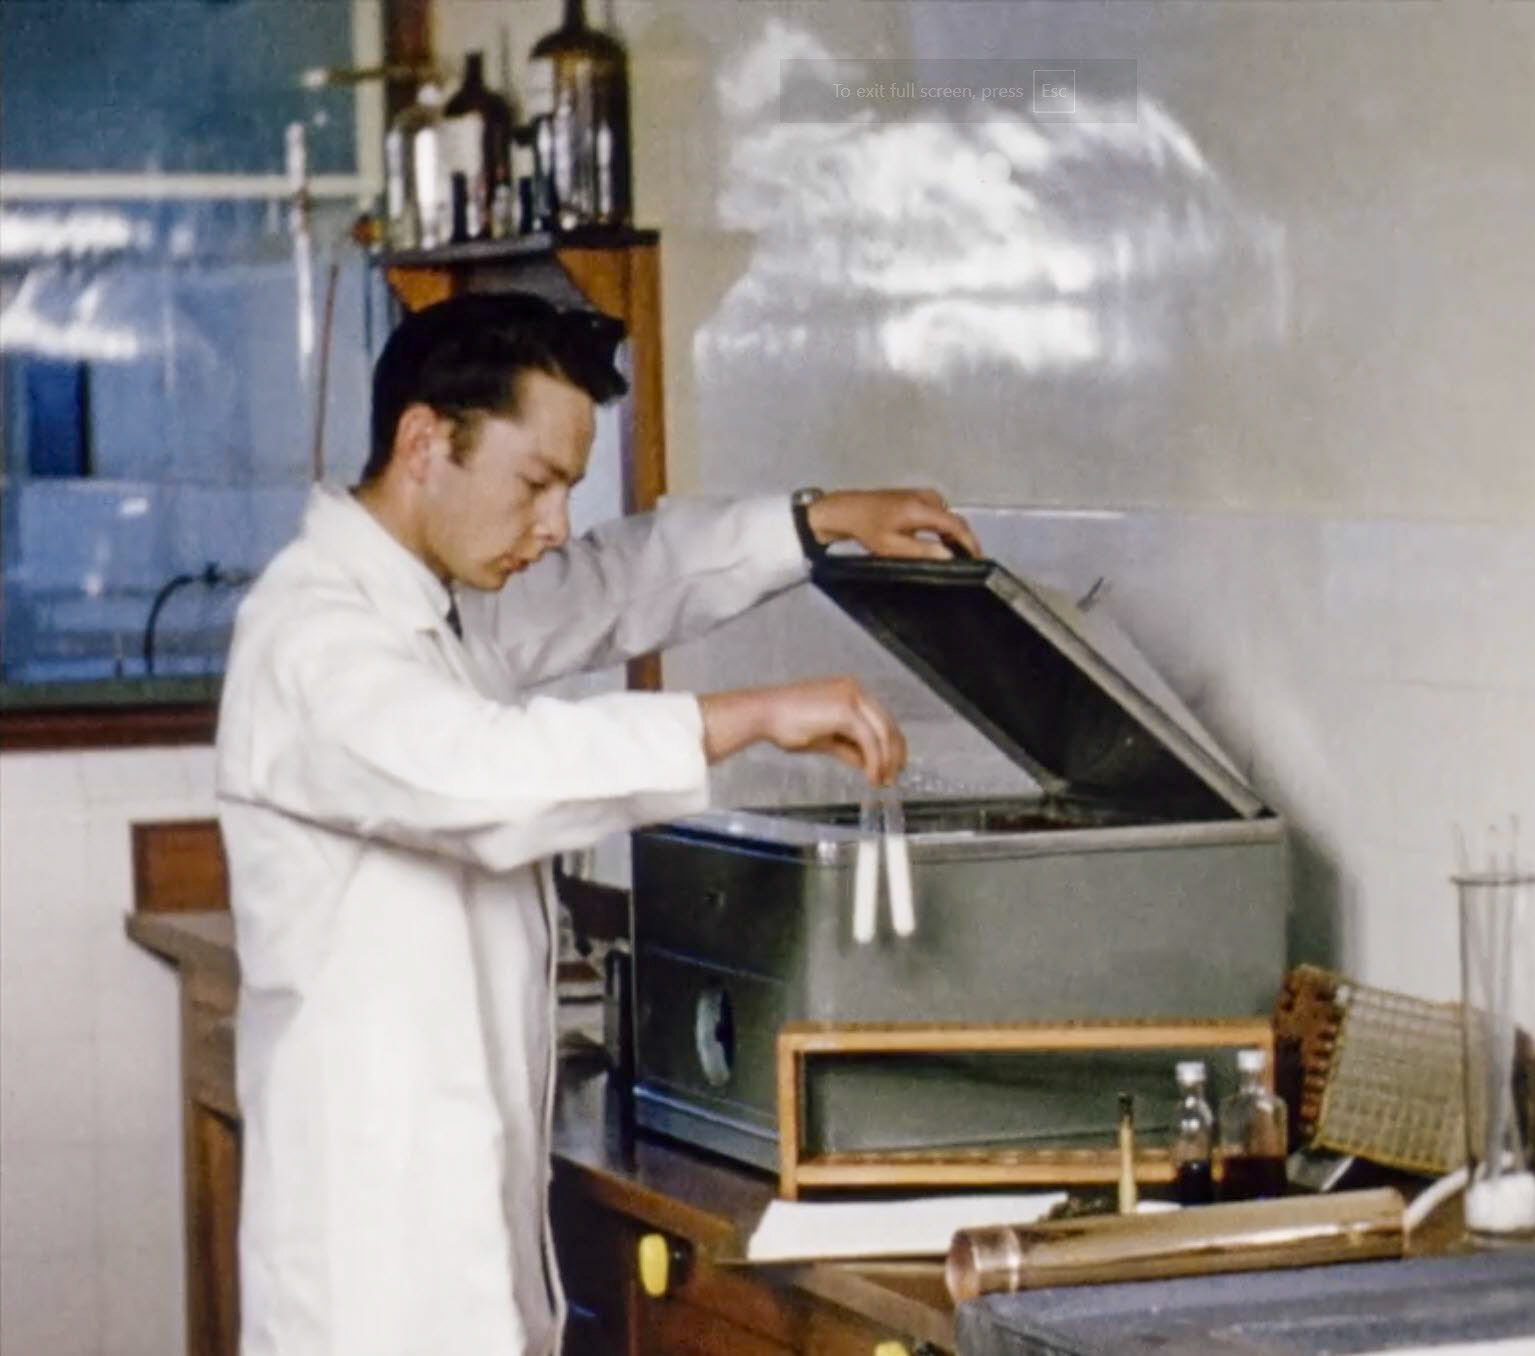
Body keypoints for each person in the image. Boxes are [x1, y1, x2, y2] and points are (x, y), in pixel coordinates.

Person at [214, 290, 979, 1356]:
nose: (553, 524)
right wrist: (747, 716)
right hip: (369, 1280)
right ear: (424, 442)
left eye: (566, 487)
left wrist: (819, 521)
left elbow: (620, 579)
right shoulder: (311, 638)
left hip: (465, 1255)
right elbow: (478, 774)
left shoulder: (439, 614)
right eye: (535, 483)